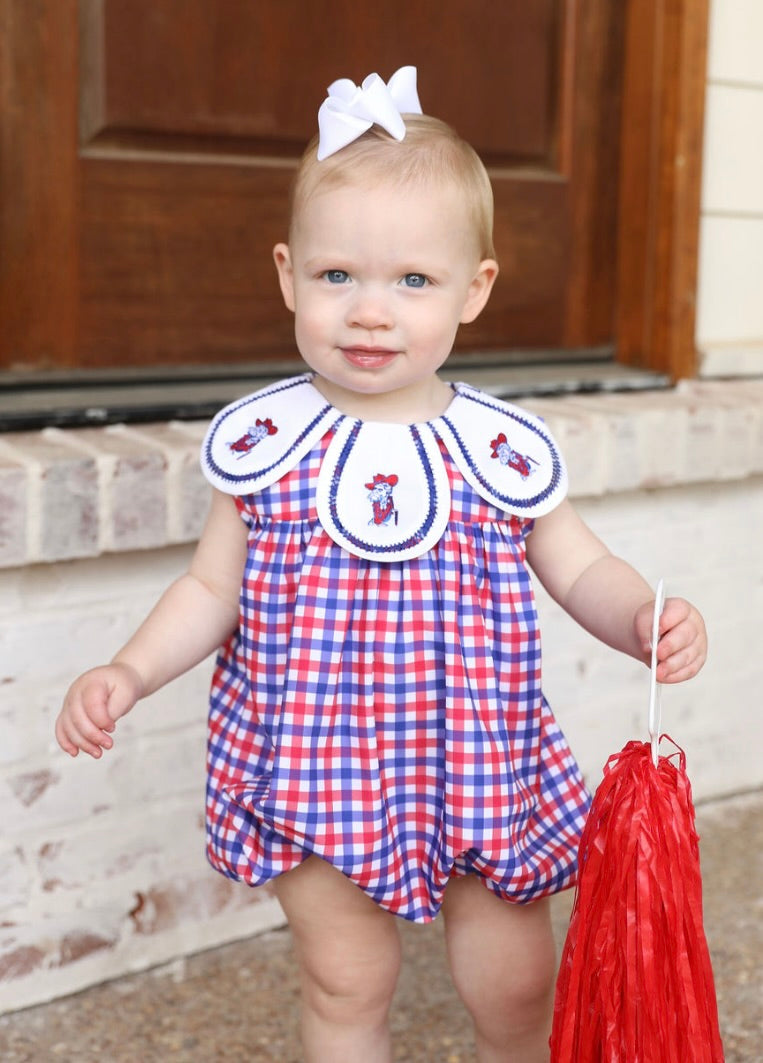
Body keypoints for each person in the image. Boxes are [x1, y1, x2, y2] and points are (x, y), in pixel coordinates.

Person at [56, 68, 707, 1063]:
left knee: (514, 982)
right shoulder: (269, 446)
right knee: (345, 980)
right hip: (317, 760)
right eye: (336, 277)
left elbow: (581, 568)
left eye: (412, 280)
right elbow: (208, 589)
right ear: (287, 275)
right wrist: (129, 670)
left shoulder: (498, 454)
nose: (370, 311)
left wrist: (639, 619)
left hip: (478, 760)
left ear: (473, 289)